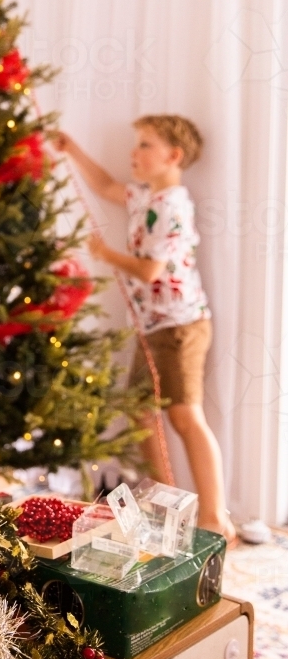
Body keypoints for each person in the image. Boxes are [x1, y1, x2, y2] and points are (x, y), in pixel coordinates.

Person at [53, 115, 236, 543]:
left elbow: (153, 269)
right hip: (152, 327)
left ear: (173, 156)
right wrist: (72, 148)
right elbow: (102, 186)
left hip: (179, 326)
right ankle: (164, 501)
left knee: (185, 416)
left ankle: (215, 517)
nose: (134, 154)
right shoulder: (141, 195)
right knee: (139, 410)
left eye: (145, 145)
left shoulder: (172, 204)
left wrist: (105, 254)